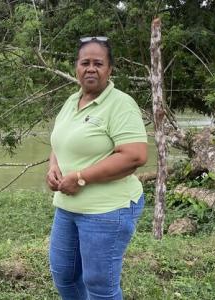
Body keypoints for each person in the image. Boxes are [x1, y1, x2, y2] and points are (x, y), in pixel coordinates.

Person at [47, 36, 148, 300]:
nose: (91, 68)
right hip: (68, 208)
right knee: (65, 277)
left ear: (109, 70)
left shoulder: (120, 104)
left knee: (100, 287)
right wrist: (53, 166)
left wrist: (80, 178)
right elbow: (60, 140)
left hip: (107, 211)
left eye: (98, 63)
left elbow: (134, 156)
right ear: (76, 68)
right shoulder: (72, 101)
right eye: (85, 63)